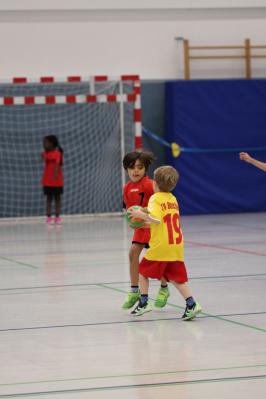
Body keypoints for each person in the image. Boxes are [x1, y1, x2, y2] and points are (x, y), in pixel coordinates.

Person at [128, 165, 202, 320]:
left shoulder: (155, 199)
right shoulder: (173, 199)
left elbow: (156, 219)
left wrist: (140, 214)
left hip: (161, 246)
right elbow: (162, 223)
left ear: (154, 183)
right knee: (176, 278)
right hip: (175, 246)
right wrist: (144, 224)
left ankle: (144, 303)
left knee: (142, 272)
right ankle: (192, 304)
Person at [122, 151, 169, 309]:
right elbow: (128, 209)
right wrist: (130, 218)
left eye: (139, 167)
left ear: (145, 169)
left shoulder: (150, 185)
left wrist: (147, 213)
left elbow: (161, 202)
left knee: (155, 261)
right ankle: (134, 290)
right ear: (126, 169)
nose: (135, 171)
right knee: (132, 253)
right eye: (132, 167)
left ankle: (164, 288)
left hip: (153, 227)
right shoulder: (127, 187)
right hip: (140, 228)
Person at [42, 135, 64, 225]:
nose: (44, 144)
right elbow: (45, 159)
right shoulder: (45, 154)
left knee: (57, 199)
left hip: (57, 181)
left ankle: (57, 217)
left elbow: (58, 164)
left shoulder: (58, 153)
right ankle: (48, 217)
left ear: (52, 144)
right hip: (47, 180)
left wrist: (55, 175)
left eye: (46, 142)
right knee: (49, 199)